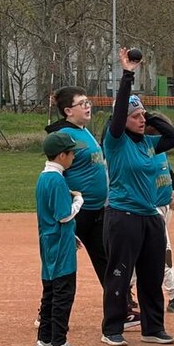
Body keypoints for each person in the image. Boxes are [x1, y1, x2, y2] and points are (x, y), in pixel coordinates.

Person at [100, 48, 174, 346]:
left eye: (142, 116)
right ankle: (112, 328)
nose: (140, 120)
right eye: (134, 116)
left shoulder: (148, 143)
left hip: (150, 216)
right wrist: (127, 75)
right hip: (123, 215)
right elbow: (120, 112)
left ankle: (153, 327)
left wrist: (151, 117)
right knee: (120, 273)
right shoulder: (116, 142)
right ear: (121, 120)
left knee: (151, 274)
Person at [43, 86, 140, 329]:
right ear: (68, 111)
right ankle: (47, 313)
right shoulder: (65, 136)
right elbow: (56, 172)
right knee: (62, 264)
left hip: (97, 210)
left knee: (107, 261)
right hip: (78, 212)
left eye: (88, 102)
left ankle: (121, 310)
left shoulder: (84, 131)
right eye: (82, 103)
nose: (88, 107)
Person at [34, 131, 87, 346]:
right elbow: (64, 215)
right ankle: (59, 343)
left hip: (49, 241)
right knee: (63, 293)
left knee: (50, 292)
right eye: (71, 153)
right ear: (61, 155)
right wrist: (79, 200)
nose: (74, 157)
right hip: (60, 245)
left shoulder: (44, 177)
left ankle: (44, 340)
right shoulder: (56, 180)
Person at [144, 115, 174, 316]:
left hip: (165, 208)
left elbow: (169, 173)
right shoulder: (144, 150)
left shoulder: (160, 151)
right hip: (151, 209)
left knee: (146, 253)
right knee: (164, 251)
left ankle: (128, 290)